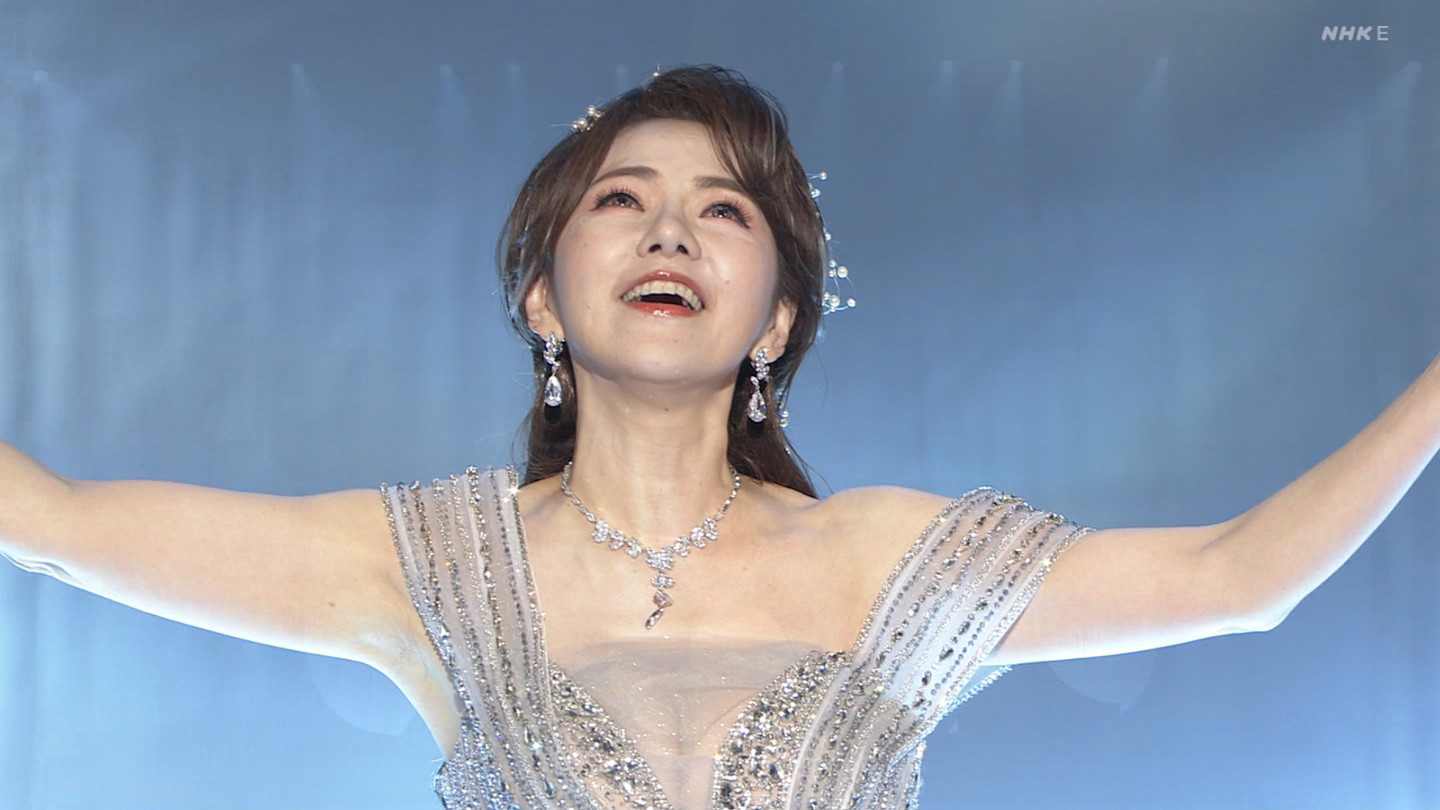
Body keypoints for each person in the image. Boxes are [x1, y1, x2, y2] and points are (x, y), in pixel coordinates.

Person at [2, 65, 1437, 810]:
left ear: (774, 321)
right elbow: (51, 526)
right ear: (542, 296)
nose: (671, 230)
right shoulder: (431, 560)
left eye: (725, 209)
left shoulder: (884, 560)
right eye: (622, 199)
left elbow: (1244, 576)